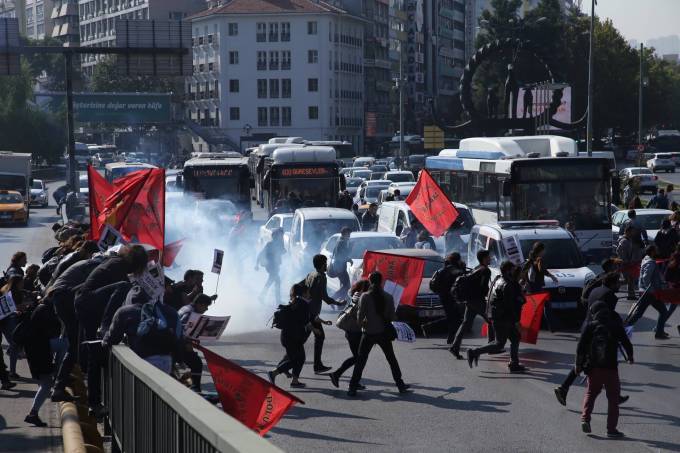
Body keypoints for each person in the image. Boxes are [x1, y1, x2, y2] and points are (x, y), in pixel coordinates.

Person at [555, 272, 630, 406]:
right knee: (605, 363)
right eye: (618, 282)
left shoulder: (596, 290)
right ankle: (564, 388)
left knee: (590, 361)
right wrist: (619, 324)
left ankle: (564, 388)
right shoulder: (610, 296)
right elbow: (607, 315)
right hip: (598, 332)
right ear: (612, 283)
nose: (619, 285)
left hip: (588, 326)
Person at [576, 300, 634, 438]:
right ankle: (611, 429)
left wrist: (578, 365)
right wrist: (630, 357)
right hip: (611, 368)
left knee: (590, 393)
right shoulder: (615, 325)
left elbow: (581, 347)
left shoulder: (590, 326)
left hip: (593, 367)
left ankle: (585, 418)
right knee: (613, 399)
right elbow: (626, 342)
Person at [348, 271, 410, 396]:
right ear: (382, 281)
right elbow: (392, 317)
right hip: (383, 333)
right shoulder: (388, 297)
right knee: (391, 359)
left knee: (361, 361)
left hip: (368, 333)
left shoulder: (364, 296)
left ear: (370, 281)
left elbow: (360, 317)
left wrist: (363, 327)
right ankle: (400, 385)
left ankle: (352, 388)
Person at [103, 284, 182, 374]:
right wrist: (179, 358)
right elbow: (178, 336)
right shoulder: (166, 310)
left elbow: (113, 337)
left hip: (144, 359)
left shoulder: (125, 311)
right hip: (166, 359)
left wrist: (105, 340)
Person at [467, 261, 526, 373]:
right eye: (513, 269)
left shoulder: (498, 279)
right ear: (508, 270)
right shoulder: (507, 284)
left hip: (497, 315)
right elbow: (510, 305)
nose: (515, 271)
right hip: (503, 317)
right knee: (499, 343)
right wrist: (517, 320)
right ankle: (474, 352)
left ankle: (514, 364)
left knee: (515, 338)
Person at [22, 297, 68, 426]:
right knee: (46, 384)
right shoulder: (46, 311)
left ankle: (33, 414)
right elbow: (53, 331)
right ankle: (32, 414)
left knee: (45, 385)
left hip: (36, 350)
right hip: (39, 351)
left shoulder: (41, 308)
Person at [303, 254, 345, 373]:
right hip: (312, 314)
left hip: (309, 312)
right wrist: (338, 303)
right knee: (307, 339)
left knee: (312, 338)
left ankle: (317, 365)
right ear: (322, 265)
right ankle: (283, 366)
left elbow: (303, 287)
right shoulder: (321, 277)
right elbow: (325, 297)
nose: (327, 266)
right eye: (325, 264)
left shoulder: (311, 274)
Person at [449, 250, 494, 359]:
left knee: (465, 323)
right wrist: (489, 294)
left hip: (470, 300)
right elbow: (483, 288)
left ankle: (455, 347)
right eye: (489, 257)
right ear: (484, 258)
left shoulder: (476, 268)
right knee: (492, 320)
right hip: (478, 301)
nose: (490, 258)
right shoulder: (485, 271)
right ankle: (492, 347)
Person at [268, 283, 313, 388]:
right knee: (297, 359)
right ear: (304, 293)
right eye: (308, 292)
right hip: (293, 337)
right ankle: (273, 373)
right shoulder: (303, 304)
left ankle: (295, 381)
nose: (310, 294)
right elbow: (306, 322)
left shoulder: (295, 301)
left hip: (288, 336)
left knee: (298, 358)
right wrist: (315, 329)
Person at [329, 280, 369, 388]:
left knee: (358, 358)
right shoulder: (361, 298)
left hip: (351, 331)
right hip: (355, 332)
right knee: (358, 358)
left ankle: (353, 381)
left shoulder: (354, 295)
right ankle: (337, 374)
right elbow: (361, 315)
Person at [625, 245, 670, 339]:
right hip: (649, 293)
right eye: (656, 250)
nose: (657, 251)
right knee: (641, 313)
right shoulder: (650, 262)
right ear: (652, 251)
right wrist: (651, 290)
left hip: (648, 292)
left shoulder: (646, 260)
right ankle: (625, 328)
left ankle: (659, 332)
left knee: (660, 311)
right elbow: (646, 277)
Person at [178, 294, 213, 392]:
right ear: (199, 304)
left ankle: (188, 385)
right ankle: (195, 389)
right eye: (205, 306)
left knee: (195, 365)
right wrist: (186, 343)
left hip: (178, 342)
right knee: (197, 364)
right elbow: (180, 328)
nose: (206, 309)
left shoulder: (187, 308)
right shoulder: (190, 312)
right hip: (178, 344)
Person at [522, 242, 559, 331]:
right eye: (544, 250)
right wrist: (552, 276)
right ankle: (551, 326)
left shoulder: (529, 259)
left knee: (534, 306)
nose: (545, 251)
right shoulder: (539, 260)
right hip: (537, 286)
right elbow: (542, 270)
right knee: (545, 305)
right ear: (541, 250)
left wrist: (525, 281)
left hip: (530, 286)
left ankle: (526, 325)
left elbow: (524, 271)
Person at [430, 253, 465, 345]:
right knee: (454, 319)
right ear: (457, 260)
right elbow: (462, 280)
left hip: (443, 296)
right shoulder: (455, 270)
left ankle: (450, 337)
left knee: (453, 318)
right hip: (451, 297)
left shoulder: (443, 269)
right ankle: (450, 338)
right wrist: (463, 269)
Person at [256, 228, 285, 303]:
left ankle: (261, 296)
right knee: (277, 281)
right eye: (280, 235)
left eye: (282, 235)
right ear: (275, 236)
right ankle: (277, 300)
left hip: (275, 266)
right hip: (271, 266)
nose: (282, 236)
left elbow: (283, 251)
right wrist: (256, 264)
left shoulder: (279, 244)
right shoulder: (270, 244)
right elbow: (261, 253)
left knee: (271, 281)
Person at [617, 226, 643, 300]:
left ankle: (631, 295)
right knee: (626, 280)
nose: (633, 233)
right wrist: (625, 260)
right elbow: (619, 251)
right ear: (628, 231)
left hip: (629, 263)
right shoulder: (624, 241)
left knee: (630, 279)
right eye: (632, 231)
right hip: (625, 263)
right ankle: (613, 284)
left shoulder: (629, 239)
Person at [330, 227, 353, 301]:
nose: (349, 235)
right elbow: (341, 256)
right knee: (347, 286)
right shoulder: (342, 242)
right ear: (345, 233)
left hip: (339, 267)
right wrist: (349, 259)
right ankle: (333, 298)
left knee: (345, 285)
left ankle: (341, 302)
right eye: (348, 233)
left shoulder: (340, 240)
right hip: (340, 267)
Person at [663, 251, 680, 335]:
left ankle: (659, 326)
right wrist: (671, 283)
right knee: (671, 308)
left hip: (675, 286)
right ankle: (659, 326)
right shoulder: (676, 259)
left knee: (671, 309)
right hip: (676, 287)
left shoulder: (674, 258)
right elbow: (668, 273)